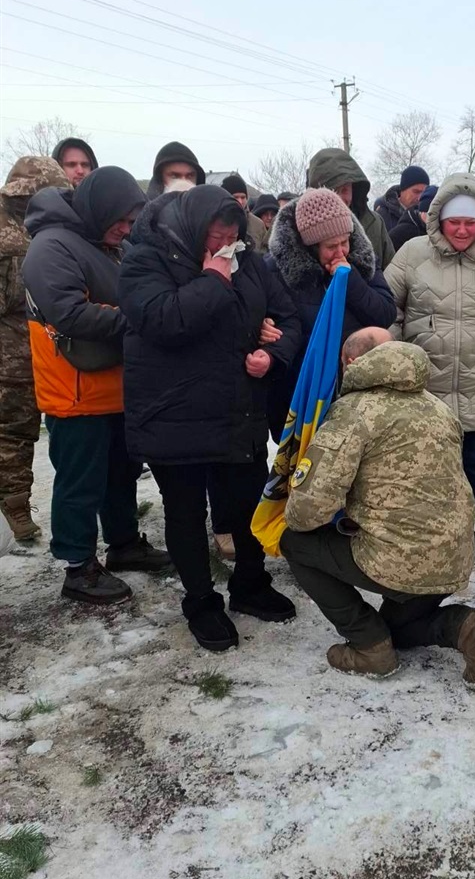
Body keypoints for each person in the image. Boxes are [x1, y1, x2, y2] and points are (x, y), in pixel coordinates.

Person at [118, 184, 302, 652]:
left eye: (232, 238)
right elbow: (165, 320)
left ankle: (250, 583)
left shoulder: (252, 264)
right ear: (191, 228)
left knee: (244, 501)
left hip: (235, 407)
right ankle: (201, 601)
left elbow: (290, 318)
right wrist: (214, 278)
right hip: (172, 413)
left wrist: (272, 351)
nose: (225, 247)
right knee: (185, 512)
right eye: (215, 237)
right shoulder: (145, 261)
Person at [280, 330, 475, 688]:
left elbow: (310, 507)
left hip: (400, 559)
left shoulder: (356, 412)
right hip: (454, 555)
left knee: (295, 542)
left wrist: (290, 514)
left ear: (353, 363)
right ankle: (469, 629)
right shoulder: (438, 407)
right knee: (399, 630)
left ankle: (370, 648)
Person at [22, 166, 170, 602]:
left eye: (131, 221)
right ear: (97, 209)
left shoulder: (105, 243)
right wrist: (140, 318)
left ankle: (123, 544)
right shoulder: (51, 246)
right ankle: (78, 567)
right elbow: (69, 314)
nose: (125, 230)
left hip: (112, 384)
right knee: (80, 481)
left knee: (119, 474)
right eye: (120, 220)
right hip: (75, 389)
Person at [384, 174, 475, 545]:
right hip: (425, 384)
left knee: (472, 462)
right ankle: (425, 525)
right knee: (424, 463)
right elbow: (389, 309)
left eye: (470, 223)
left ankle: (462, 526)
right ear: (439, 220)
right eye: (455, 222)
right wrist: (397, 359)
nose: (462, 231)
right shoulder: (413, 254)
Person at [265, 188, 396, 439]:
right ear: (310, 246)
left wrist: (351, 280)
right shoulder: (276, 270)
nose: (341, 252)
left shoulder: (361, 260)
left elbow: (385, 313)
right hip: (301, 396)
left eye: (344, 242)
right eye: (331, 246)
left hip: (356, 395)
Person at [0, 156, 71, 542]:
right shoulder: (8, 233)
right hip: (10, 350)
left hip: (45, 342)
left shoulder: (53, 226)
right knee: (14, 428)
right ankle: (15, 503)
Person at [307, 148, 394, 271]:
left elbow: (391, 274)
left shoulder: (375, 223)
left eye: (345, 190)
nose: (340, 198)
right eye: (333, 191)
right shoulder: (295, 227)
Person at [375, 167, 430, 239]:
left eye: (424, 192)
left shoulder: (429, 216)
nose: (420, 197)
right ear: (403, 190)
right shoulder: (382, 216)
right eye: (416, 192)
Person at [221, 173, 269, 252]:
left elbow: (264, 253)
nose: (240, 201)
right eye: (235, 197)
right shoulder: (216, 222)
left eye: (243, 197)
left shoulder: (258, 224)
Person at [389, 184, 437, 251]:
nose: (433, 219)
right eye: (430, 214)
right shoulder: (399, 234)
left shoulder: (443, 232)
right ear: (422, 212)